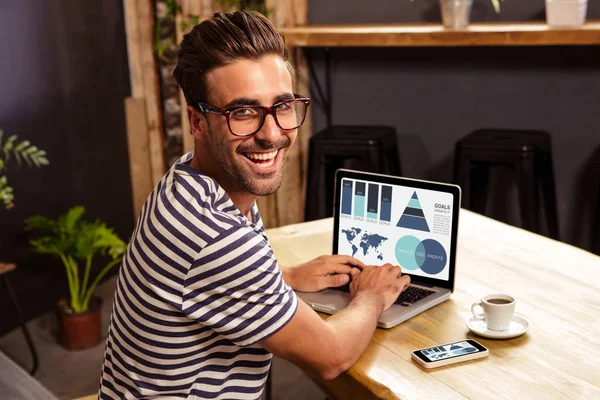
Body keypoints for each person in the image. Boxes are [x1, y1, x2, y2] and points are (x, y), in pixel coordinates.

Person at [98, 10, 410, 400]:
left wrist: (285, 276)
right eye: (242, 112)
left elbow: (202, 276)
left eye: (282, 106)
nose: (271, 134)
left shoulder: (185, 182)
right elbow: (332, 356)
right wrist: (373, 295)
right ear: (197, 122)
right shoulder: (215, 234)